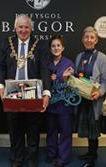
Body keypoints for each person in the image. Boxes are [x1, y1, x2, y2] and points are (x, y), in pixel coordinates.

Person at [0, 14, 51, 167]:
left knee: (33, 130)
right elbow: (0, 67)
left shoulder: (40, 44)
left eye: (26, 27)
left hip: (33, 94)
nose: (23, 30)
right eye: (20, 27)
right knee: (15, 129)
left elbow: (45, 70)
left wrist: (46, 93)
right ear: (15, 28)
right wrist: (0, 87)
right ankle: (17, 159)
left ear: (31, 28)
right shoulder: (6, 43)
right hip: (12, 94)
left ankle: (32, 161)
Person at [63, 26, 106, 167]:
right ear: (82, 39)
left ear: (96, 40)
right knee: (87, 128)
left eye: (92, 38)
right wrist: (70, 78)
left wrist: (99, 93)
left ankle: (92, 159)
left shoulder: (102, 57)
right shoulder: (79, 57)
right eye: (86, 37)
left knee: (93, 129)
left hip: (95, 100)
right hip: (82, 99)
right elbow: (78, 77)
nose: (89, 40)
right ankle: (90, 153)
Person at [45, 35, 74, 167]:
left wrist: (62, 78)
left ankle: (63, 158)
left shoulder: (69, 63)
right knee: (51, 130)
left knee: (65, 132)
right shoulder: (46, 63)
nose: (56, 48)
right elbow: (43, 81)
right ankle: (52, 154)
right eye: (53, 46)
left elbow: (73, 84)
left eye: (58, 45)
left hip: (64, 104)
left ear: (63, 48)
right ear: (50, 48)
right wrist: (49, 79)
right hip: (50, 103)